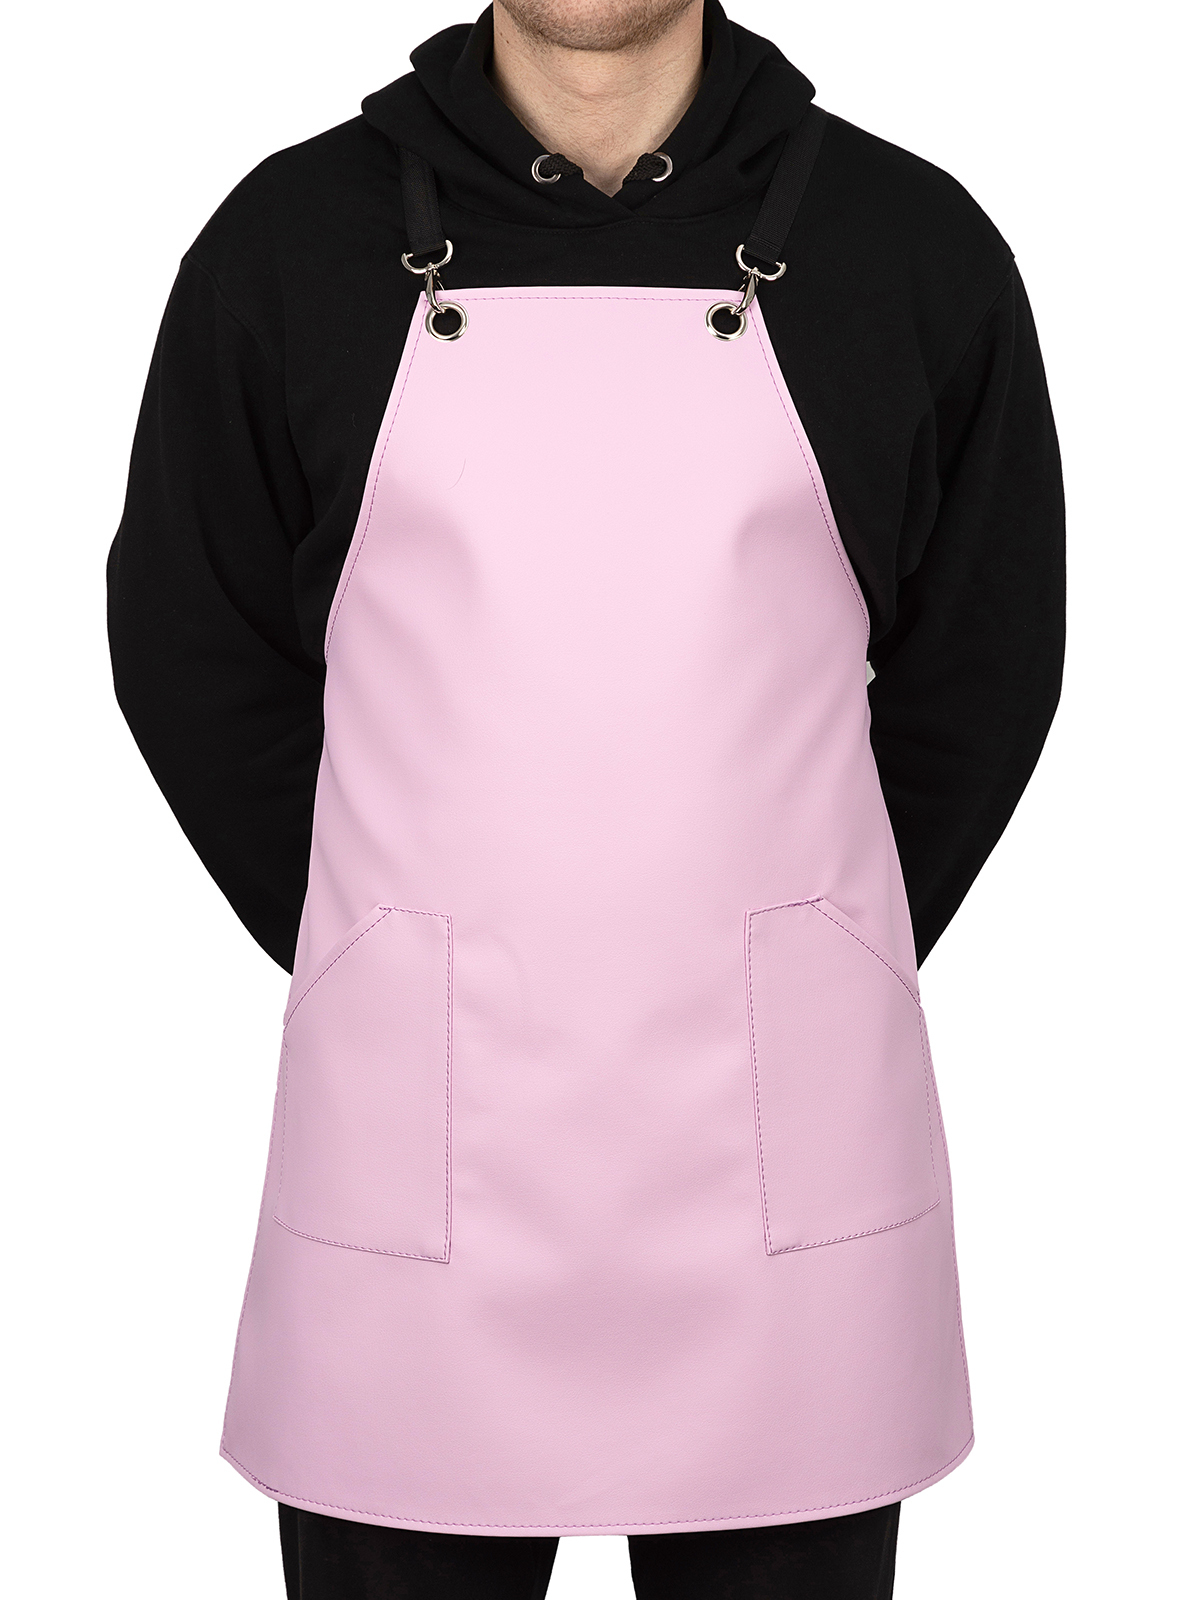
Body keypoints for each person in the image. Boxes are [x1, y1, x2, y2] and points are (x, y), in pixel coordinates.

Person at [106, 1, 1065, 1594]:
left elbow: (984, 670)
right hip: (417, 1175)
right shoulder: (285, 247)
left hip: (782, 1182)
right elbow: (193, 655)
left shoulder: (911, 248)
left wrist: (813, 952)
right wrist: (384, 948)